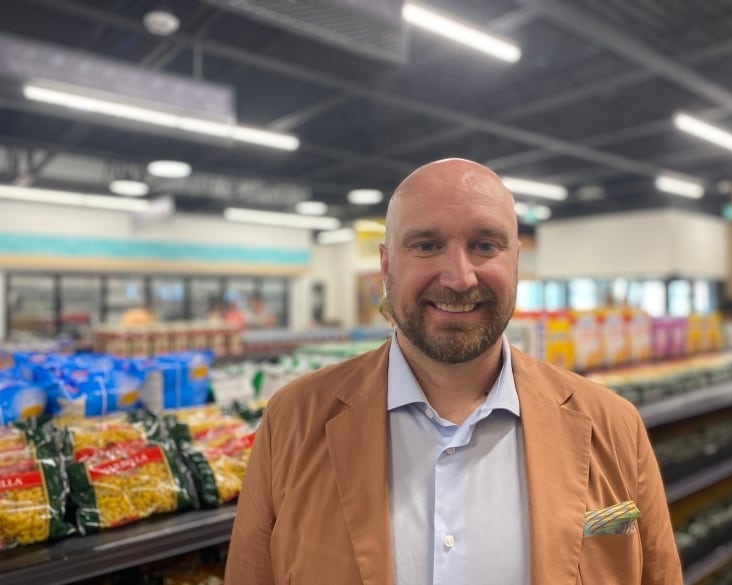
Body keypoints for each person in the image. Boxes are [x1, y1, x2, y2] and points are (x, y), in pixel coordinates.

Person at [225, 159, 682, 585]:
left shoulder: (613, 424)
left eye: (485, 245)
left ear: (516, 262)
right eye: (427, 245)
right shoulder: (294, 419)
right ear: (386, 266)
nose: (459, 277)